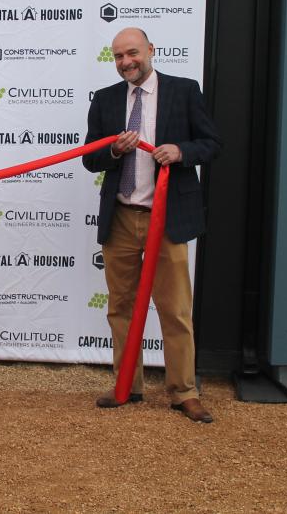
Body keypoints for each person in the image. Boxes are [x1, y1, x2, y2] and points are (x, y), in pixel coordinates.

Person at [83, 27, 222, 423]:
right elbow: (91, 158)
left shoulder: (183, 90)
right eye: (118, 56)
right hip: (122, 217)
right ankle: (127, 385)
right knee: (121, 307)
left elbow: (212, 143)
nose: (126, 62)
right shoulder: (107, 99)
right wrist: (112, 149)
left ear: (150, 51)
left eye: (132, 53)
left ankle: (184, 392)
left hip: (169, 217)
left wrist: (181, 151)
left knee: (175, 309)